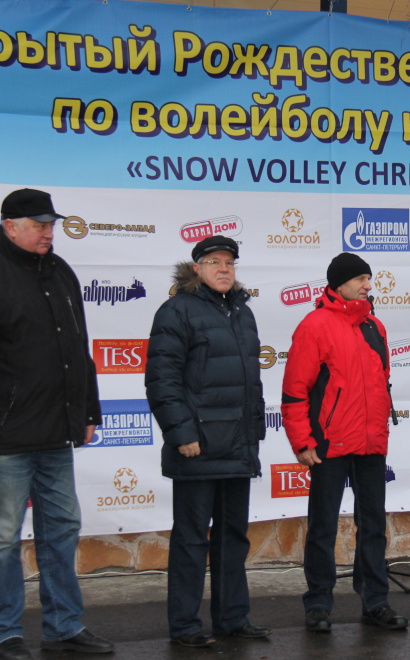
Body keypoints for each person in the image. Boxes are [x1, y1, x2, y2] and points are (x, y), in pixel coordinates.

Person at [0, 188, 113, 660]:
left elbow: (78, 348)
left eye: (50, 225)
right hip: (3, 440)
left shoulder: (60, 271)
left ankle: (64, 626)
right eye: (38, 225)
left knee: (63, 529)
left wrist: (88, 412)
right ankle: (3, 633)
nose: (47, 233)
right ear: (10, 226)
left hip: (56, 433)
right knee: (3, 537)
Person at [145, 235, 270, 648]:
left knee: (233, 536)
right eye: (214, 262)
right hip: (197, 446)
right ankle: (184, 626)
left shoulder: (243, 312)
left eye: (229, 263)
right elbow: (162, 379)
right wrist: (182, 433)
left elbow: (250, 381)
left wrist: (253, 432)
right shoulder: (177, 310)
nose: (224, 269)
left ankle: (232, 618)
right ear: (196, 268)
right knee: (191, 539)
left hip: (236, 445)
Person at [281, 252, 408, 633]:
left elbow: (380, 382)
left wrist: (380, 429)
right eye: (360, 279)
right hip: (329, 443)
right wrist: (302, 441)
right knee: (323, 527)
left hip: (371, 441)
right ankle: (318, 604)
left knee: (373, 526)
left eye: (369, 279)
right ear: (340, 284)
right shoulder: (314, 325)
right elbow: (295, 390)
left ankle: (376, 602)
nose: (368, 285)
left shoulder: (375, 325)